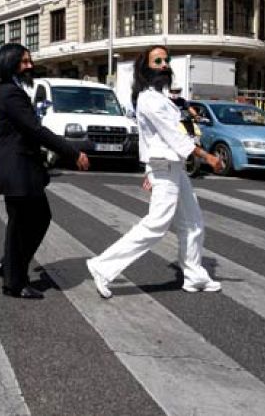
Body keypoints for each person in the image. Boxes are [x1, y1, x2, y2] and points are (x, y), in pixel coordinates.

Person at [86, 45, 224, 299]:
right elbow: (173, 137)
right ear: (146, 68)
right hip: (166, 166)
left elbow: (156, 138)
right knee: (156, 225)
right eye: (157, 61)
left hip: (172, 167)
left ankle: (194, 275)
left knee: (193, 222)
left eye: (166, 60)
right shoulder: (150, 100)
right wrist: (207, 157)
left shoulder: (161, 98)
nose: (163, 64)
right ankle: (103, 266)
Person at [0, 43, 90, 299]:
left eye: (29, 60)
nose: (30, 65)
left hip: (20, 169)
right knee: (24, 225)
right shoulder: (11, 93)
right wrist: (73, 152)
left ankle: (9, 266)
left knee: (31, 221)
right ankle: (14, 282)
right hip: (18, 169)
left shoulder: (8, 91)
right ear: (9, 63)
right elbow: (35, 129)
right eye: (24, 61)